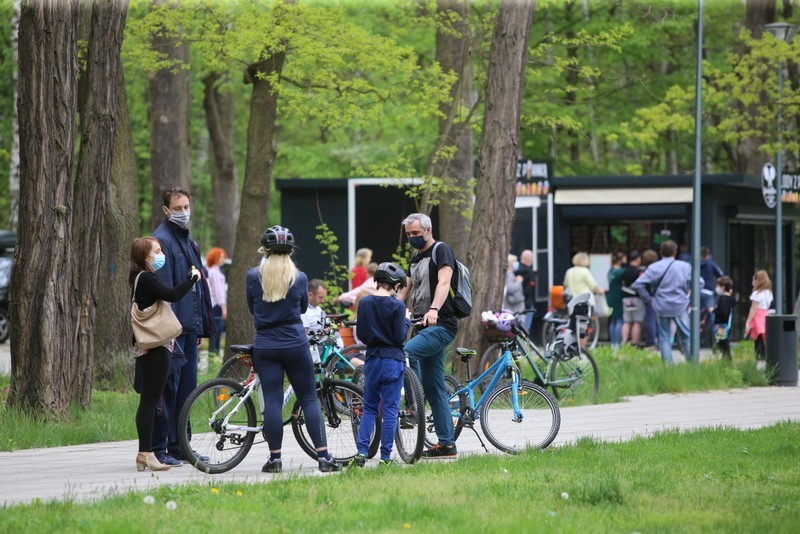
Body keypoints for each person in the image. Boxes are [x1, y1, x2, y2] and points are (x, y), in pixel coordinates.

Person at [246, 226, 341, 473]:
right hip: (294, 342)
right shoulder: (299, 278)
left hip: (265, 344)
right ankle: (323, 457)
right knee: (309, 398)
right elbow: (301, 308)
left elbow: (251, 307)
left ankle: (275, 459)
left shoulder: (252, 276)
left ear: (265, 249)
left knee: (274, 402)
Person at [151, 187, 215, 466]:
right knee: (168, 389)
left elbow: (197, 287)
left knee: (187, 390)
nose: (183, 212)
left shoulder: (190, 241)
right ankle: (159, 447)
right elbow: (165, 291)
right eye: (177, 208)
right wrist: (170, 333)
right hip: (172, 331)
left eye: (186, 206)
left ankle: (181, 446)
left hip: (189, 329)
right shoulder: (160, 241)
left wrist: (198, 327)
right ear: (166, 210)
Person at [129, 237, 200, 472]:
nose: (161, 255)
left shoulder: (139, 277)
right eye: (156, 251)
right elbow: (172, 295)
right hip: (156, 348)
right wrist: (192, 278)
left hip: (149, 348)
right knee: (151, 401)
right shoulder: (148, 278)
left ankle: (145, 453)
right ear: (145, 256)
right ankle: (147, 452)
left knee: (149, 401)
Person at [396, 213, 459, 459]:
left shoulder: (441, 250)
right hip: (422, 325)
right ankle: (447, 445)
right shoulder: (415, 257)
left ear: (428, 229)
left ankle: (412, 409)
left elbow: (444, 283)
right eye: (409, 234)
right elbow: (405, 289)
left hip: (441, 324)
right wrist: (388, 307)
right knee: (434, 388)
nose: (412, 238)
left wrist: (433, 309)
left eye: (415, 233)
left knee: (404, 354)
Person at [349, 262, 411, 468]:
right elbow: (399, 337)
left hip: (372, 360)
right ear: (394, 285)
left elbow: (363, 335)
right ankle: (385, 457)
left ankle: (361, 452)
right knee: (391, 410)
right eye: (399, 287)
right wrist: (407, 321)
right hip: (392, 361)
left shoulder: (365, 303)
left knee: (369, 409)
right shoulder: (398, 306)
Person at [632, 240, 692, 364]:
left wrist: (649, 300)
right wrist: (689, 295)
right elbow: (699, 282)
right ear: (675, 252)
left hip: (661, 306)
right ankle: (692, 365)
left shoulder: (654, 267)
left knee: (664, 338)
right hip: (681, 305)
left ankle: (668, 367)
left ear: (660, 252)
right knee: (686, 336)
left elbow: (638, 284)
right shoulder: (685, 266)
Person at [745, 270, 773, 369]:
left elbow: (753, 309)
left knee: (757, 340)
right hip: (765, 315)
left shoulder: (757, 293)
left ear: (758, 280)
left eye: (755, 279)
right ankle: (764, 360)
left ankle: (759, 361)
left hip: (757, 316)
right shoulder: (768, 293)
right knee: (763, 339)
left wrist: (748, 322)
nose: (753, 281)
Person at [205, 247, 227, 357]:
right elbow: (218, 292)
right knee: (216, 333)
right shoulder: (215, 272)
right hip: (216, 306)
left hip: (212, 306)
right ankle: (214, 356)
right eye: (221, 257)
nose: (223, 259)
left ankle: (212, 356)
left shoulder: (211, 271)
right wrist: (223, 307)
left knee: (213, 333)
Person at [621, 251, 645, 346]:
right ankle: (634, 343)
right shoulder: (639, 271)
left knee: (626, 321)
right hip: (636, 298)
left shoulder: (624, 271)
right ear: (638, 259)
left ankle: (624, 341)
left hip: (626, 298)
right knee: (637, 321)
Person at [640, 249, 660, 347]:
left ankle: (651, 341)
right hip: (659, 297)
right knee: (658, 320)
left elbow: (640, 284)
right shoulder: (659, 269)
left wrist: (646, 298)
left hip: (649, 298)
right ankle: (660, 340)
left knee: (650, 320)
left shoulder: (646, 270)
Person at [713, 275, 735, 361]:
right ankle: (725, 360)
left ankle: (727, 361)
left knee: (722, 343)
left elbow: (723, 312)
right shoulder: (730, 298)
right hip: (727, 324)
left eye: (718, 286)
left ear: (722, 287)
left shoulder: (723, 299)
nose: (716, 288)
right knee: (723, 342)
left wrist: (715, 311)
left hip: (722, 325)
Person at [699, 246, 724, 321]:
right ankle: (714, 332)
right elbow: (721, 276)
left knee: (693, 312)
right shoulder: (711, 264)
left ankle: (692, 331)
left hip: (696, 292)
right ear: (708, 255)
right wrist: (718, 288)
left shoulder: (694, 264)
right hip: (708, 291)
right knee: (712, 315)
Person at [515, 249, 537, 333]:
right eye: (532, 257)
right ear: (529, 259)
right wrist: (529, 302)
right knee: (525, 330)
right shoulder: (528, 272)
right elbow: (528, 289)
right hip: (527, 304)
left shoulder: (516, 270)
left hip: (521, 303)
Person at [607, 252, 626, 350]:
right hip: (618, 297)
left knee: (612, 320)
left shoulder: (610, 271)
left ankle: (612, 343)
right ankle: (617, 343)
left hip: (610, 297)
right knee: (619, 320)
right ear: (620, 260)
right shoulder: (620, 272)